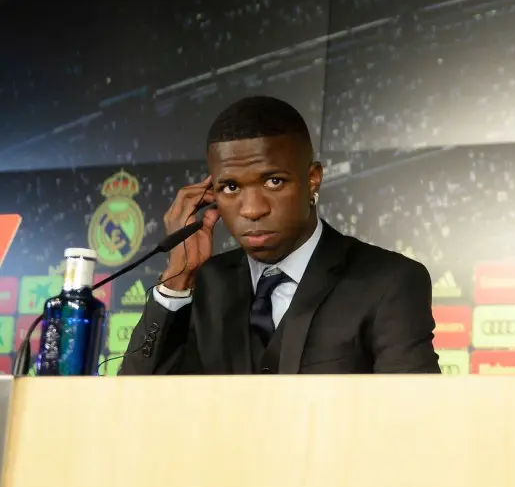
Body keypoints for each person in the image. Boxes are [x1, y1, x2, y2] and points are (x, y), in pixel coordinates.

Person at [119, 96, 441, 375]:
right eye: (231, 187)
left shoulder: (389, 282)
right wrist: (178, 279)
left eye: (273, 181)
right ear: (211, 194)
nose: (252, 209)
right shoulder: (204, 284)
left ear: (312, 179)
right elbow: (133, 402)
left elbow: (411, 421)